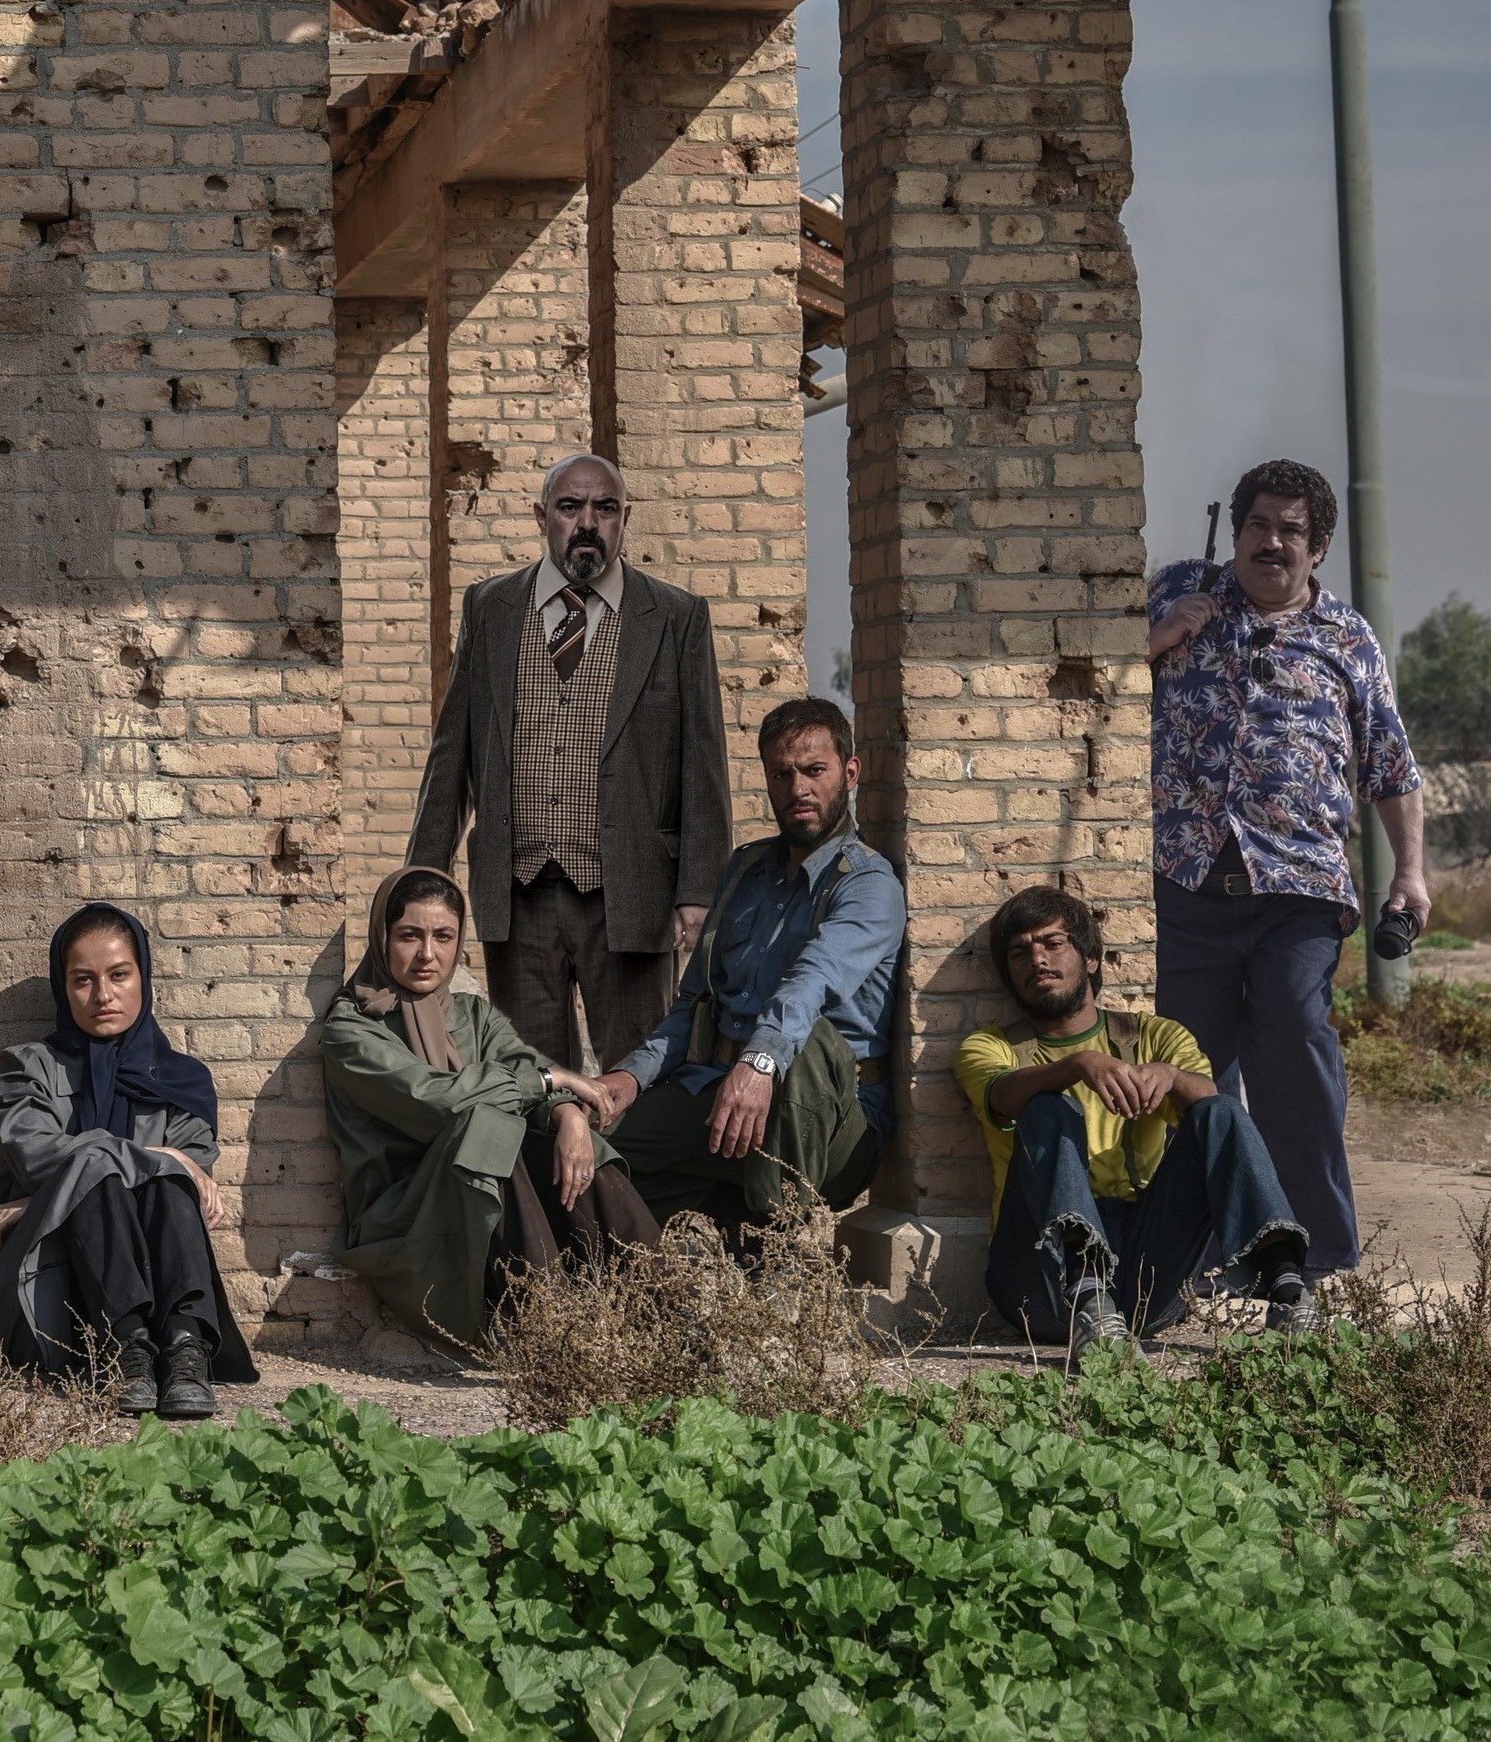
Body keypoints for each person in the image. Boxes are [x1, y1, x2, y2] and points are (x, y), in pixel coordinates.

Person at [1147, 459, 1426, 1282]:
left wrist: (1408, 874)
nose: (1272, 543)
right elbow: (1087, 684)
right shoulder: (1178, 592)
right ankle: (1197, 1254)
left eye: (1290, 530)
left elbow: (1390, 765)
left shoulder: (1347, 638)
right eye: (1258, 526)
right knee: (1187, 1069)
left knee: (1296, 1047)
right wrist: (1156, 639)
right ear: (1235, 533)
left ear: (1318, 546)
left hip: (1298, 888)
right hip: (1186, 881)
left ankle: (1314, 1256)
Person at [407, 452, 731, 1072]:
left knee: (638, 1080)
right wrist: (422, 879)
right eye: (570, 507)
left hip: (631, 893)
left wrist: (699, 890)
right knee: (533, 1086)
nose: (588, 523)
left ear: (625, 517)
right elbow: (452, 755)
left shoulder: (675, 616)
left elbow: (704, 763)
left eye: (605, 508)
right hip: (518, 894)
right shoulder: (490, 608)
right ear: (542, 517)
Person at [586, 697, 903, 1237]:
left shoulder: (868, 884)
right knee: (587, 1145)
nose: (798, 789)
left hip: (833, 1121)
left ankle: (780, 1254)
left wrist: (759, 1062)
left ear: (850, 773)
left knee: (809, 1044)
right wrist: (630, 1076)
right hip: (722, 1091)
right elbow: (693, 1003)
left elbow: (812, 981)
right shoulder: (745, 870)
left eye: (814, 770)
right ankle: (675, 1243)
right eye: (782, 774)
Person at [956, 887, 1314, 1361]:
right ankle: (1089, 1303)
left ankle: (1289, 1295)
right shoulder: (989, 1046)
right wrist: (1078, 1065)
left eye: (1053, 944)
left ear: (1090, 959)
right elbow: (1002, 1097)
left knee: (1220, 1109)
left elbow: (1214, 1115)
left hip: (1146, 1277)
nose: (1037, 960)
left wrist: (1170, 1077)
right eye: (1020, 953)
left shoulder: (1152, 1035)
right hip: (1041, 1285)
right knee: (1046, 1107)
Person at [321, 867, 660, 1351]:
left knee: (565, 1137)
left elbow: (524, 1066)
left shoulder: (472, 1015)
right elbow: (438, 1100)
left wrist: (566, 1113)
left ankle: (661, 1305)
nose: (427, 954)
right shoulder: (352, 1029)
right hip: (407, 1218)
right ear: (382, 937)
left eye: (443, 937)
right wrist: (549, 1082)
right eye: (409, 935)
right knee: (488, 1128)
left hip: (485, 1196)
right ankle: (551, 1329)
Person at [0, 902, 257, 1420]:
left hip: (155, 1276)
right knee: (119, 1180)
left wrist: (41, 1199)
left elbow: (185, 1180)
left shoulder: (182, 1080)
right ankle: (128, 1350)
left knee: (167, 1186)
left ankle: (183, 1347)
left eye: (119, 975)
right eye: (83, 980)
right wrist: (161, 1155)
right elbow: (37, 1157)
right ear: (63, 988)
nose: (103, 996)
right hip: (47, 1281)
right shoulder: (26, 1069)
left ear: (143, 977)